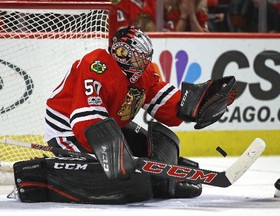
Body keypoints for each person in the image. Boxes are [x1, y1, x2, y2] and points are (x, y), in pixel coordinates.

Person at [13, 26, 236, 204]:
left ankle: (164, 179)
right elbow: (86, 115)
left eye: (145, 57)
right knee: (125, 178)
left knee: (160, 142)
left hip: (108, 124)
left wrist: (197, 106)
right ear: (121, 52)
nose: (143, 63)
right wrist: (110, 149)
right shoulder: (97, 65)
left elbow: (164, 102)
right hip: (68, 130)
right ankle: (155, 181)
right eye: (139, 57)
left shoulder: (144, 73)